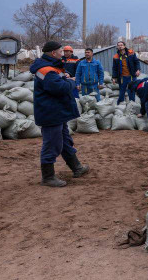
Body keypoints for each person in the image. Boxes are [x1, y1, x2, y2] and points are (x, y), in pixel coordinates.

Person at [30, 41, 89, 187]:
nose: (62, 54)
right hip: (50, 112)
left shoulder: (51, 67)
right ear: (53, 53)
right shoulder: (46, 70)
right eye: (60, 51)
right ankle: (48, 177)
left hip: (56, 111)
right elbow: (58, 88)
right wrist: (71, 82)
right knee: (52, 144)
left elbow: (58, 81)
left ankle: (77, 167)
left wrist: (64, 77)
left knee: (64, 141)